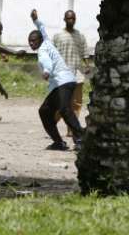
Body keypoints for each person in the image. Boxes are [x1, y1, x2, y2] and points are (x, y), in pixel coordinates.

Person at [29, 9, 84, 151]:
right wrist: (36, 20)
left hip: (63, 82)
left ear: (39, 40)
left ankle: (81, 139)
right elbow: (41, 29)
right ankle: (59, 142)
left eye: (33, 41)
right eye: (29, 41)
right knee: (44, 111)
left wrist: (47, 71)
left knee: (65, 109)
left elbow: (47, 62)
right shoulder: (46, 41)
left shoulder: (42, 51)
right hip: (63, 83)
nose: (31, 43)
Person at [53, 10, 91, 137]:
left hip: (77, 75)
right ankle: (51, 124)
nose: (71, 21)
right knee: (61, 104)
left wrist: (87, 65)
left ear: (75, 19)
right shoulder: (58, 36)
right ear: (64, 19)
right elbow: (53, 55)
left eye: (73, 18)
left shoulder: (80, 36)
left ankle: (72, 129)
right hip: (62, 75)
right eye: (68, 18)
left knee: (76, 104)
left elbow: (85, 53)